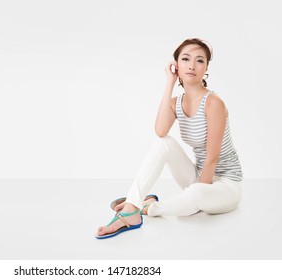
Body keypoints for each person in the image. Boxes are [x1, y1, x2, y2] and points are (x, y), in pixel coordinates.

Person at [95, 38, 243, 239]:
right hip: (198, 176)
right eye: (185, 59)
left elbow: (212, 158)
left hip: (226, 186)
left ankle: (149, 208)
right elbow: (160, 131)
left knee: (195, 195)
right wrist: (170, 83)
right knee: (164, 144)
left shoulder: (213, 102)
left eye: (200, 61)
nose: (192, 65)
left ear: (206, 68)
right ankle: (132, 206)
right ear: (176, 65)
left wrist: (198, 197)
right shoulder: (177, 103)